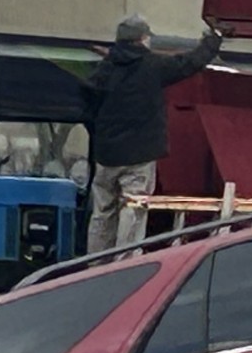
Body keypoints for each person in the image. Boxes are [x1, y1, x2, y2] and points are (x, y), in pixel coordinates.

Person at [82, 15, 222, 252]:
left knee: (103, 211)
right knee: (134, 208)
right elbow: (191, 63)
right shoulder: (153, 67)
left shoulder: (104, 70)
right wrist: (213, 39)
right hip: (140, 155)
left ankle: (94, 262)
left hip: (106, 155)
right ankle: (126, 262)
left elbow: (88, 104)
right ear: (142, 39)